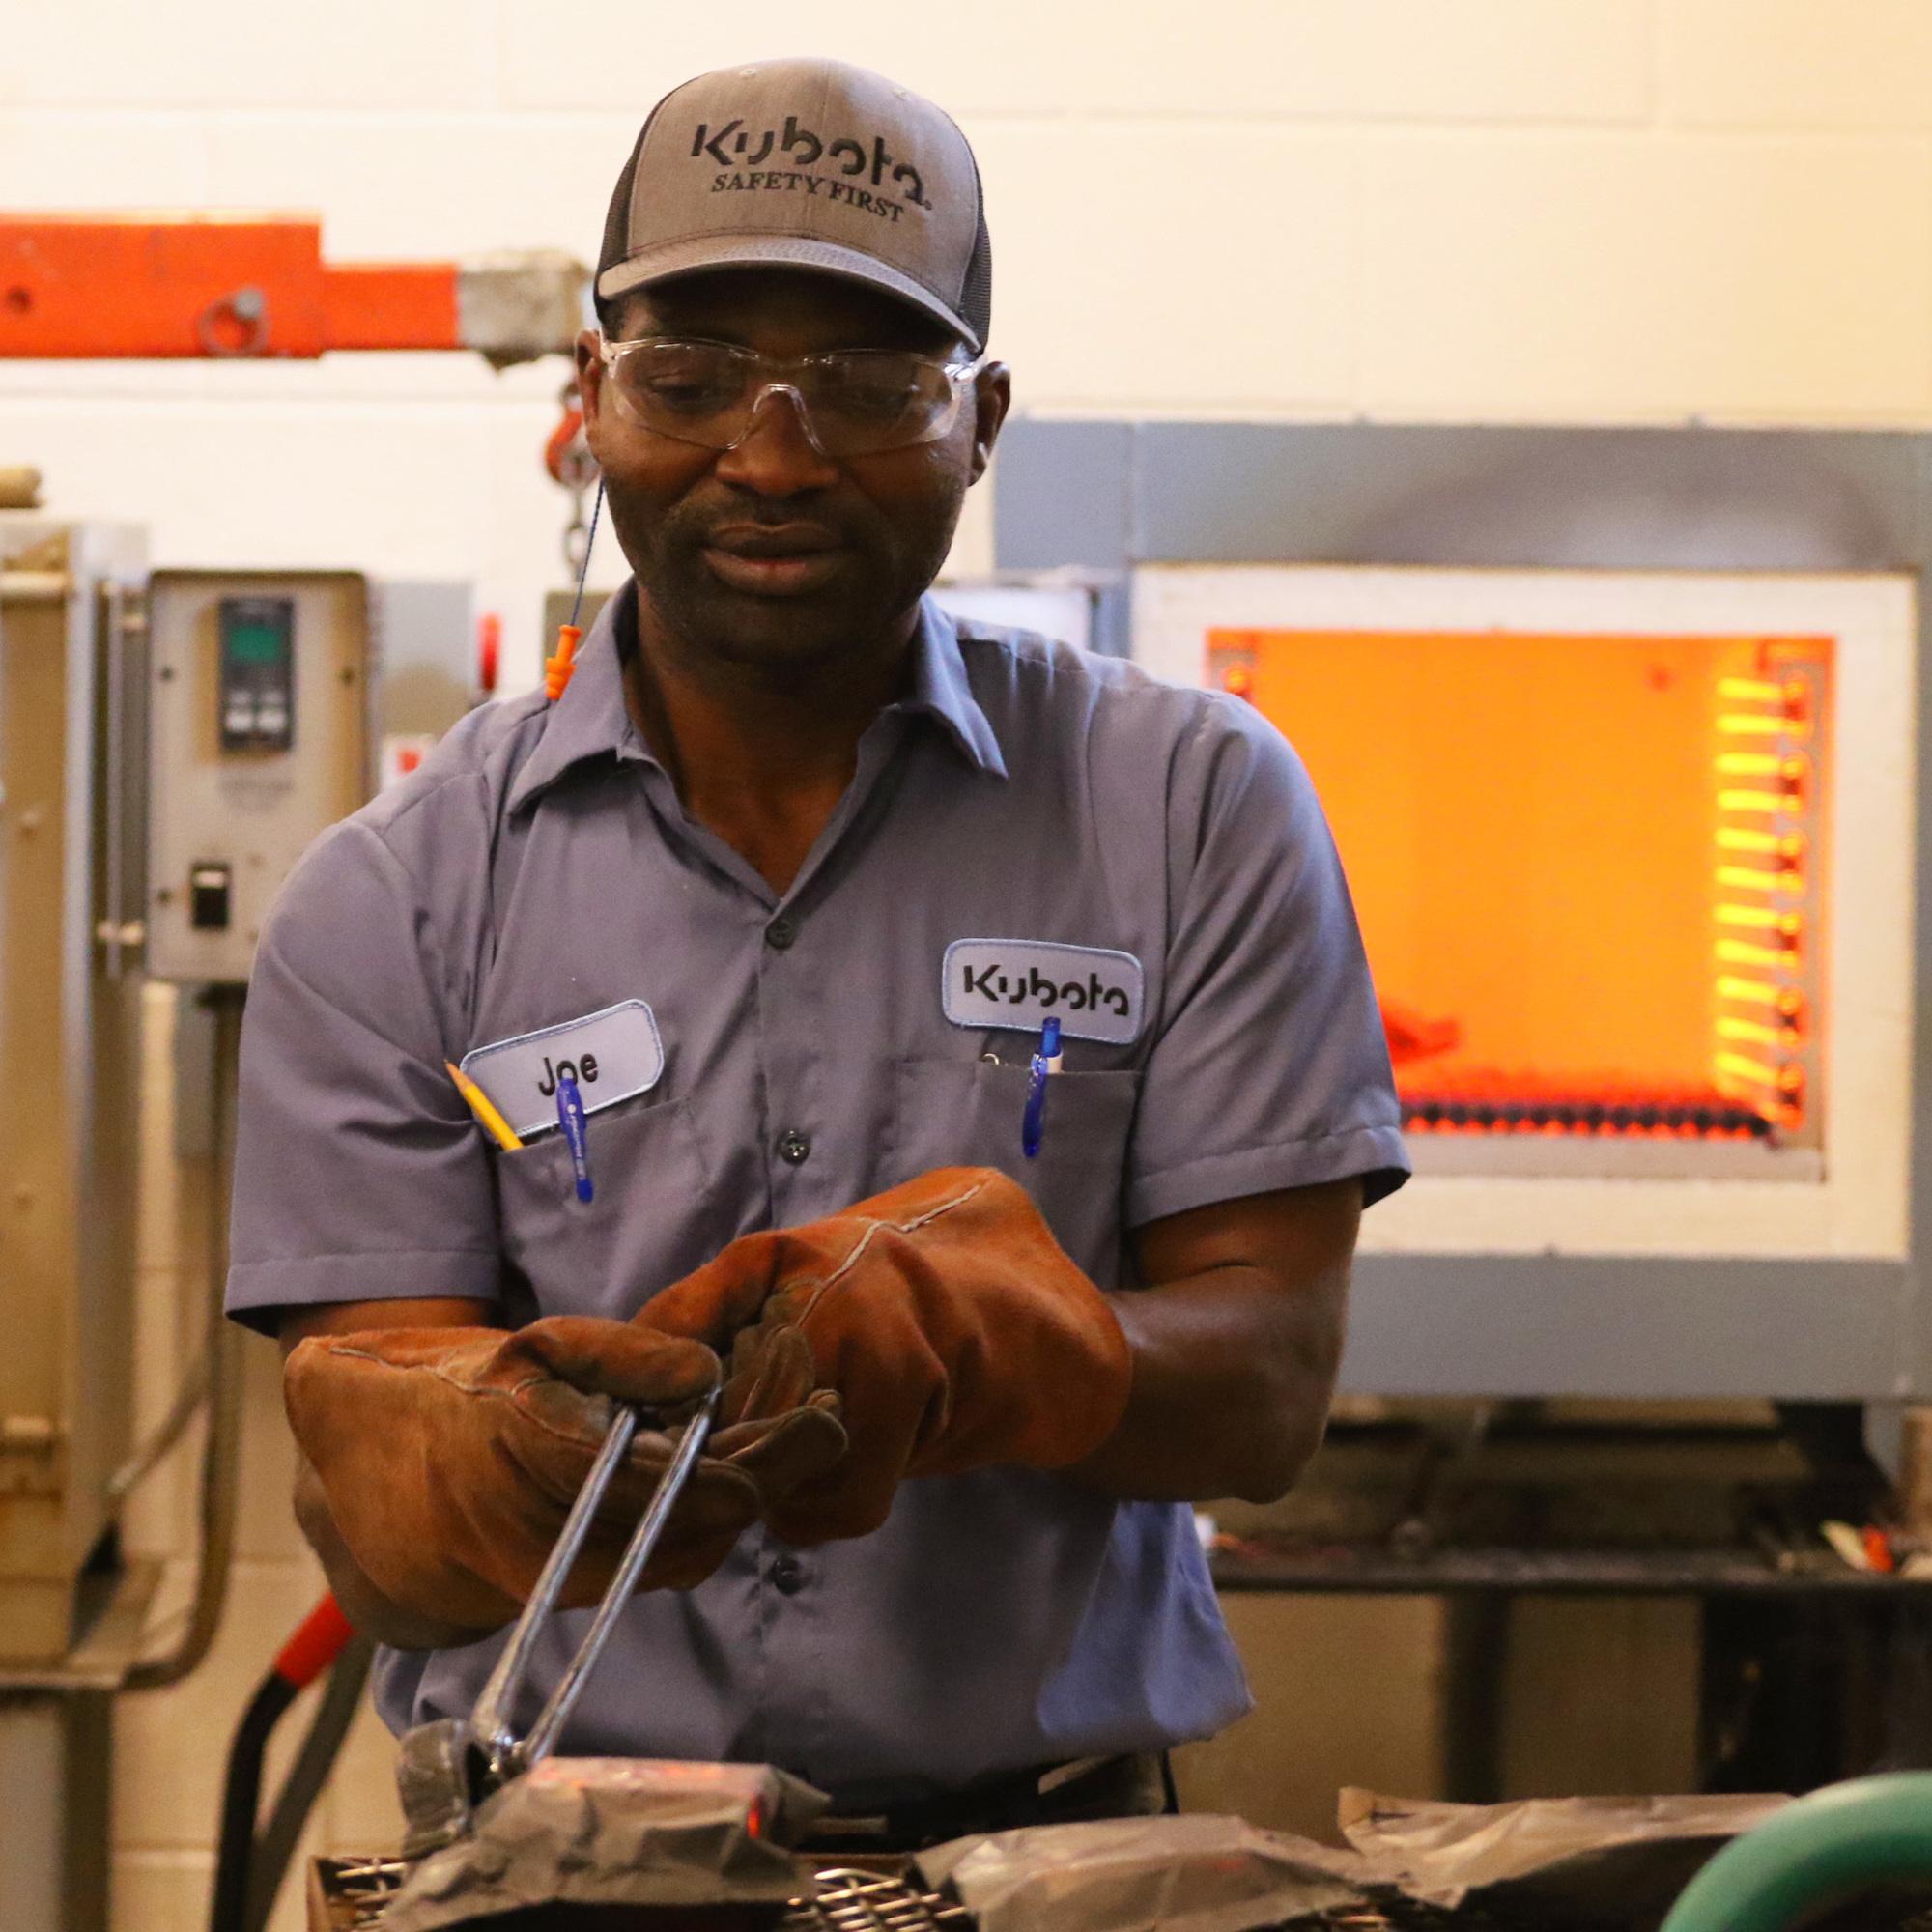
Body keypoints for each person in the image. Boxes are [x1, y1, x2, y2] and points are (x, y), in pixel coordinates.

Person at [227, 55, 1410, 1847]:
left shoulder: (1188, 807)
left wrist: (1001, 1341)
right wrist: (499, 1454)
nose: (770, 458)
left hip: (1046, 1857)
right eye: (691, 380)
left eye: (867, 386)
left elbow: (1266, 1393)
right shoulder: (391, 894)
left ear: (983, 417)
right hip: (557, 1864)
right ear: (594, 399)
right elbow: (370, 1483)